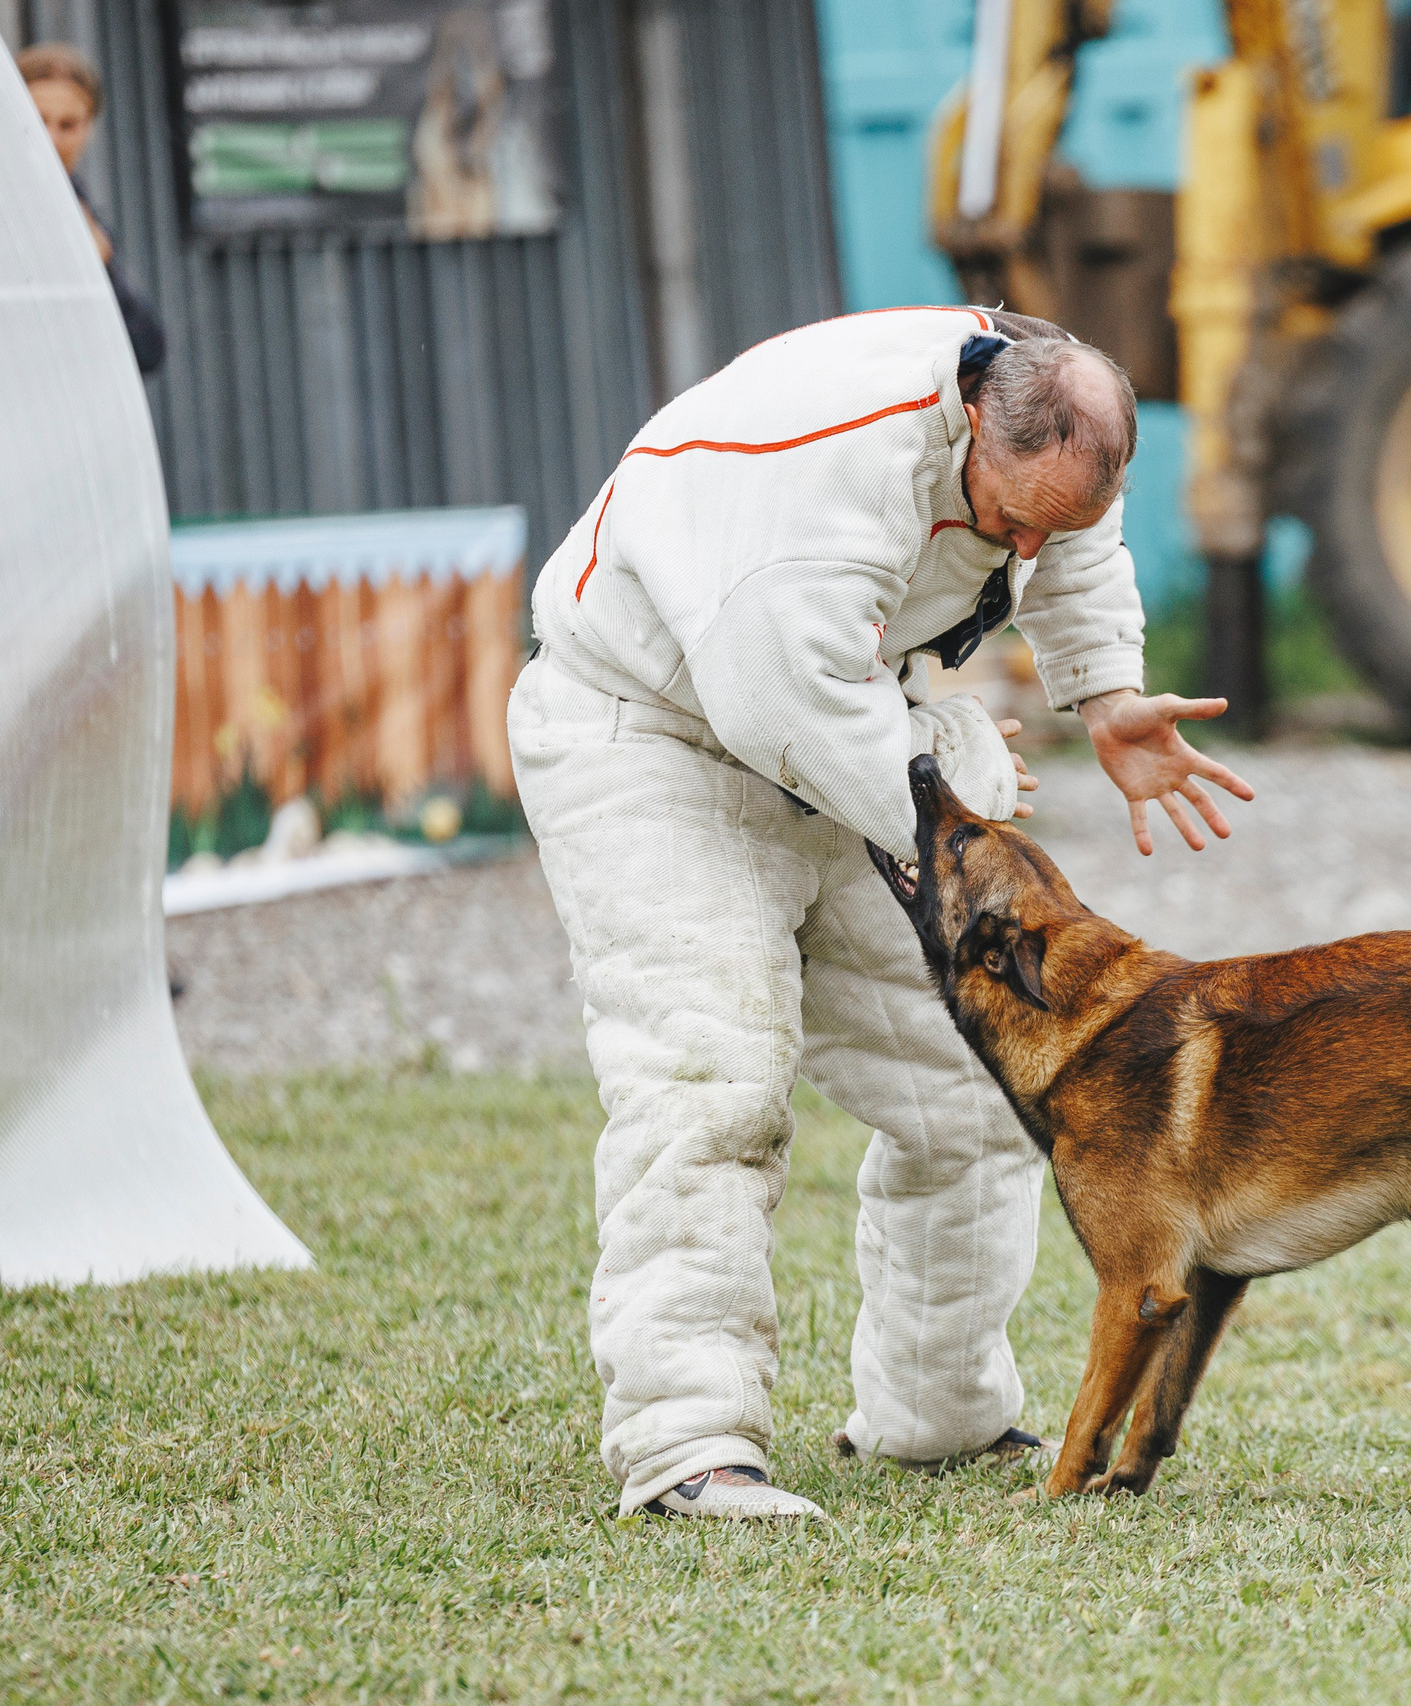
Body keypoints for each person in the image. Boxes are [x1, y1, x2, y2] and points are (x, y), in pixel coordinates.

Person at [510, 308, 1254, 1520]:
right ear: (970, 421)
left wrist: (1104, 689)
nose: (1023, 545)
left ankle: (936, 1415)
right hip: (654, 734)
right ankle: (687, 1445)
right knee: (712, 1078)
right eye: (1010, 516)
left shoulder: (1039, 420)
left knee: (981, 1072)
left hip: (850, 729)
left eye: (1049, 520)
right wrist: (954, 748)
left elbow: (1074, 534)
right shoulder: (824, 473)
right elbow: (782, 704)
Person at [17, 43, 166, 376]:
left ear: (89, 128)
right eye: (35, 120)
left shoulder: (77, 207)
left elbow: (147, 350)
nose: (50, 139)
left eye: (67, 125)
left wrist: (104, 265)